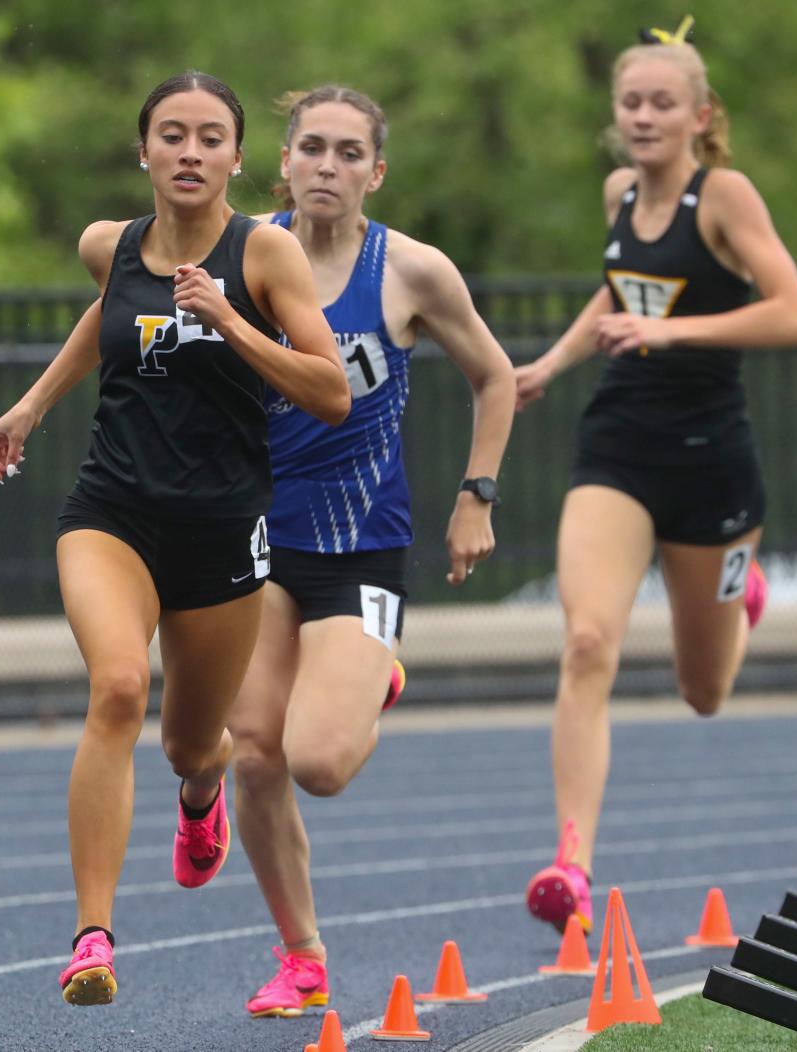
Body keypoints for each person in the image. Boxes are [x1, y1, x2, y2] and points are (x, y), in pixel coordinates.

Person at [0, 71, 350, 1006]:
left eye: (211, 137)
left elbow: (330, 389)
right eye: (172, 135)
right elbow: (106, 319)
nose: (190, 152)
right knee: (116, 686)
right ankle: (92, 938)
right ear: (143, 149)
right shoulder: (109, 244)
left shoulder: (264, 255)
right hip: (114, 511)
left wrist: (229, 320)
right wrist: (29, 406)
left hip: (222, 528)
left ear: (235, 158)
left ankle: (203, 786)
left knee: (191, 743)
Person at [513, 20, 797, 937]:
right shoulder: (617, 193)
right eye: (631, 103)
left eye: (661, 103)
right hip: (621, 446)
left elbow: (793, 314)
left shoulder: (724, 198)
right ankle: (571, 862)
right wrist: (552, 365)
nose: (643, 118)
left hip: (713, 465)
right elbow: (620, 290)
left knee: (704, 690)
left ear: (699, 114)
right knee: (588, 640)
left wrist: (673, 333)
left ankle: (740, 592)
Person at [228, 85, 516, 1018]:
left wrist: (476, 496)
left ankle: (373, 671)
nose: (327, 166)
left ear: (375, 172)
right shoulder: (238, 256)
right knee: (255, 757)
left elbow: (495, 376)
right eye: (311, 147)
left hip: (360, 550)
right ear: (282, 162)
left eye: (349, 153)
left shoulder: (411, 272)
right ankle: (302, 956)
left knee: (318, 761)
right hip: (260, 541)